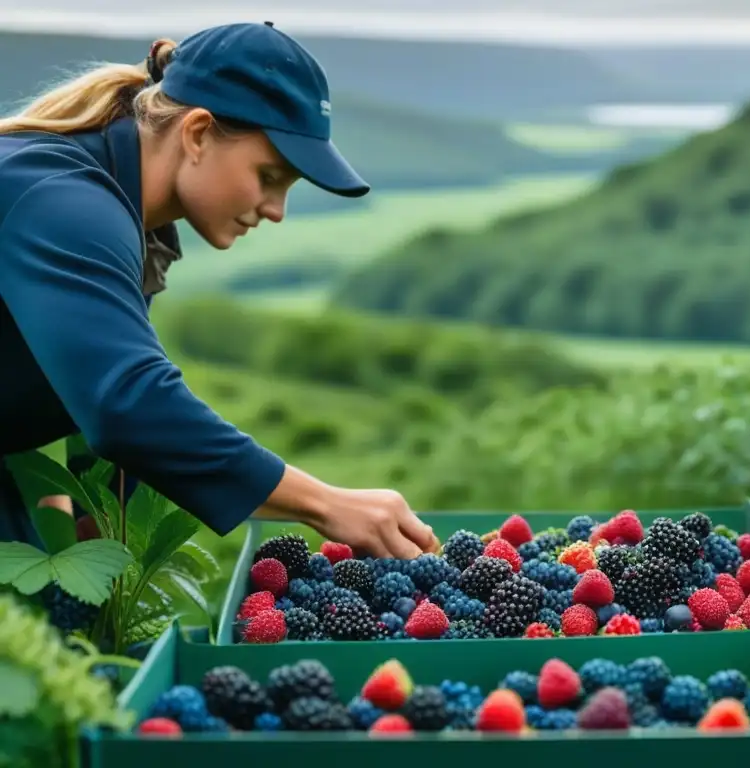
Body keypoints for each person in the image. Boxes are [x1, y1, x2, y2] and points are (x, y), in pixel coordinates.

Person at [0, 21, 437, 559]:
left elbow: (86, 373)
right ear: (198, 133)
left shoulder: (118, 209)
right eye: (269, 176)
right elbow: (126, 401)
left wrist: (96, 513)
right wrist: (324, 503)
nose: (276, 210)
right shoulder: (65, 203)